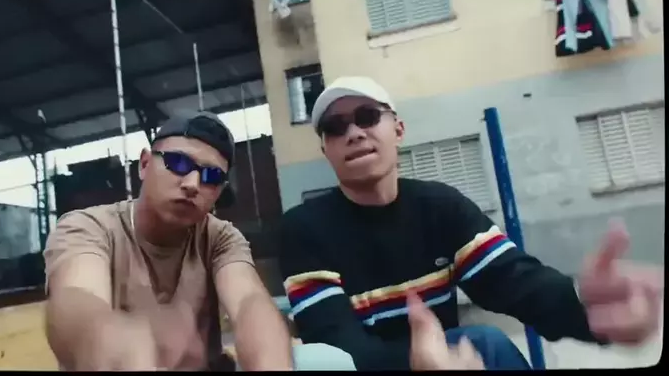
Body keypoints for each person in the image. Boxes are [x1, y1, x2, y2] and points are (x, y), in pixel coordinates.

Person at [278, 76, 664, 370]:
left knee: (484, 345)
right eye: (335, 127)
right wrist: (419, 363)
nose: (354, 133)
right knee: (483, 342)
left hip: (457, 363)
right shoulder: (304, 229)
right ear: (325, 148)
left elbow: (512, 280)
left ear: (398, 129)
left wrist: (587, 309)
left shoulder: (439, 207)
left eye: (367, 116)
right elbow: (337, 346)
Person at [43, 111, 334, 371]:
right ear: (144, 164)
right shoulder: (89, 227)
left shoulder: (220, 237)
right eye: (178, 162)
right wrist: (112, 343)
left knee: (325, 360)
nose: (193, 184)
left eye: (211, 176)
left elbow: (249, 302)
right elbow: (77, 298)